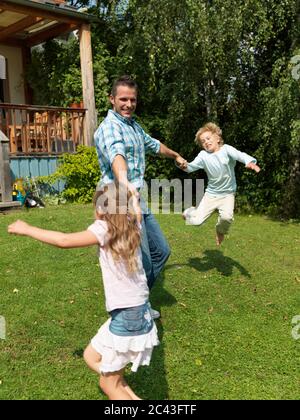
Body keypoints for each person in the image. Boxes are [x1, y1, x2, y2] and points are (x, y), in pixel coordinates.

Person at [8, 183, 159, 400]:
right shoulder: (132, 223)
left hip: (128, 316)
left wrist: (27, 229)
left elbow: (64, 240)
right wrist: (133, 196)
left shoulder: (104, 228)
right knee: (91, 357)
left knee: (108, 385)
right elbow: (137, 212)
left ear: (100, 209)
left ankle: (117, 389)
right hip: (137, 312)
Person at [94, 75, 187, 318]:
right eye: (123, 99)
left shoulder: (134, 126)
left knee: (161, 251)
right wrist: (124, 182)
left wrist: (175, 154)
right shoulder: (109, 128)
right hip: (117, 200)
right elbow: (117, 154)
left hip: (136, 199)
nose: (128, 104)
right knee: (140, 262)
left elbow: (154, 145)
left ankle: (136, 302)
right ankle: (130, 308)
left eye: (132, 100)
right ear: (112, 99)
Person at [180, 122, 260, 245]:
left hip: (228, 195)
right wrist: (184, 165)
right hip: (211, 195)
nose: (206, 142)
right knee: (196, 222)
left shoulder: (226, 149)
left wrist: (249, 162)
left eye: (208, 138)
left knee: (227, 218)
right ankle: (189, 212)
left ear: (217, 138)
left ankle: (220, 231)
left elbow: (240, 155)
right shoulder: (203, 156)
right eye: (203, 141)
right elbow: (191, 167)